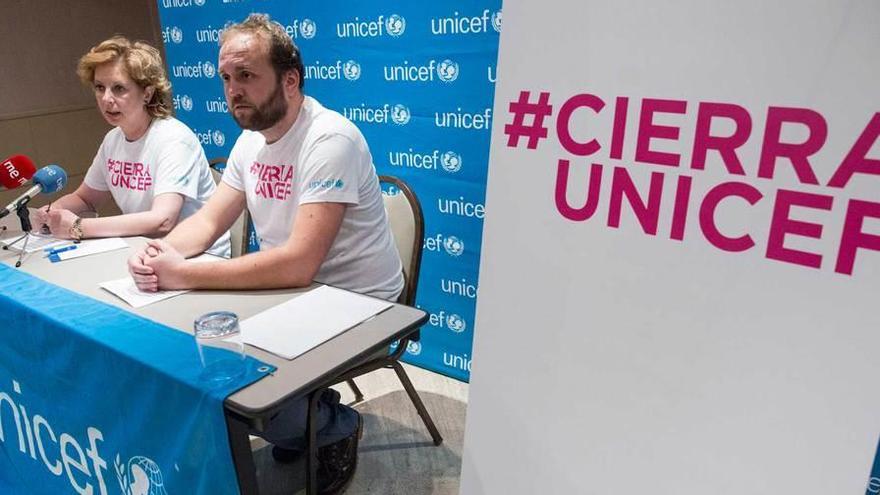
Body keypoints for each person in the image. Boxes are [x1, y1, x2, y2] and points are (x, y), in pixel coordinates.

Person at [127, 14, 404, 494]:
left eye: (247, 76)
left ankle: (336, 425)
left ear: (290, 80)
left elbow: (299, 263)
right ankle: (303, 411)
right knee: (203, 365)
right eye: (227, 78)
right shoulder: (250, 142)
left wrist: (184, 275)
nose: (233, 90)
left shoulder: (329, 140)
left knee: (253, 395)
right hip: (297, 297)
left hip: (362, 303)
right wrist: (162, 251)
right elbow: (211, 221)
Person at [35, 36, 229, 257]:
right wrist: (55, 211)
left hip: (196, 258)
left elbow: (162, 220)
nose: (106, 98)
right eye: (100, 87)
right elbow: (86, 199)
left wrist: (78, 227)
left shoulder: (173, 139)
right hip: (144, 253)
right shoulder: (113, 140)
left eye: (119, 89)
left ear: (147, 93)